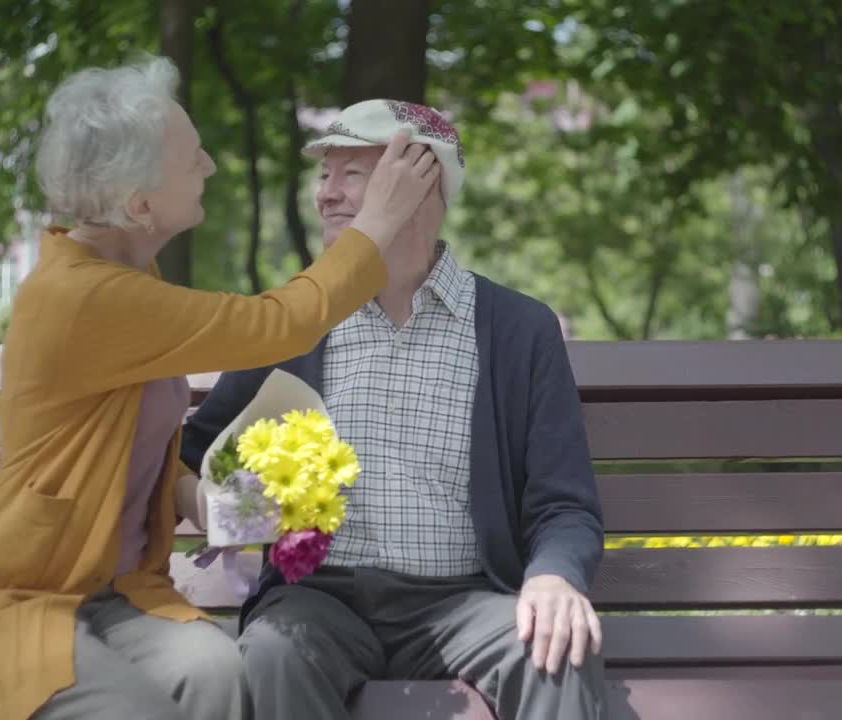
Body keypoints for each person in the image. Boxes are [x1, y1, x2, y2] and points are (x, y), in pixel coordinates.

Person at [0, 58, 440, 720]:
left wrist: (217, 504)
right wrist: (379, 223)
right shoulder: (89, 296)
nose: (212, 167)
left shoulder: (125, 275)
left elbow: (114, 446)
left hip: (113, 592)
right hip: (18, 600)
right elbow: (279, 324)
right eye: (193, 157)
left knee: (216, 673)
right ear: (140, 205)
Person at [181, 99, 607, 719]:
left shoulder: (518, 328)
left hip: (466, 601)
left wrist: (554, 576)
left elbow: (564, 503)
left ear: (422, 179)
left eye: (352, 174)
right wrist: (235, 504)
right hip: (317, 599)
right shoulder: (296, 319)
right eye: (323, 175)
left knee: (553, 651)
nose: (326, 194)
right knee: (271, 651)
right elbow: (194, 456)